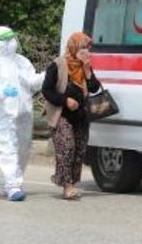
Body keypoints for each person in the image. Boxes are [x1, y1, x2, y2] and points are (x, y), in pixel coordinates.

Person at [0, 26, 45, 202]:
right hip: (3, 115)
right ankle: (12, 185)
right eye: (7, 39)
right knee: (6, 148)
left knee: (23, 149)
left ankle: (14, 180)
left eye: (12, 38)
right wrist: (3, 91)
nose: (11, 43)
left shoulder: (22, 61)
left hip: (24, 112)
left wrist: (46, 76)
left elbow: (32, 82)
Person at [42, 32, 100, 200]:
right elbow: (47, 90)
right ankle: (67, 186)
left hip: (81, 116)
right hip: (61, 115)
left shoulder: (85, 66)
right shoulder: (58, 64)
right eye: (82, 47)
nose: (86, 51)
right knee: (67, 148)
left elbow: (95, 88)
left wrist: (88, 69)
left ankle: (73, 183)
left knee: (79, 150)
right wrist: (65, 100)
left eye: (88, 48)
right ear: (73, 47)